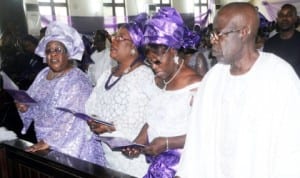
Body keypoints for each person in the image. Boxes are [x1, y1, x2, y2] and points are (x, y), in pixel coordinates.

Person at [176, 2, 300, 178]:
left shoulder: (279, 76)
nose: (213, 41)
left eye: (219, 34)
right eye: (212, 34)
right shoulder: (213, 78)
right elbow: (197, 137)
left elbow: (292, 148)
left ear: (244, 32)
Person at [122, 7, 202, 178]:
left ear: (173, 51)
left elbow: (205, 133)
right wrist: (138, 142)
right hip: (158, 164)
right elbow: (152, 120)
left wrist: (167, 143)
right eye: (150, 63)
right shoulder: (156, 82)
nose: (154, 67)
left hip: (182, 166)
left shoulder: (195, 85)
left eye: (157, 61)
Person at [15, 21, 106, 166]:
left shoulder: (77, 80)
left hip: (73, 147)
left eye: (58, 50)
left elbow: (73, 119)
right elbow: (34, 102)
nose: (53, 54)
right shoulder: (43, 74)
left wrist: (47, 142)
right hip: (45, 141)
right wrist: (24, 106)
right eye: (49, 50)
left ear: (68, 53)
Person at [84, 13, 158, 177]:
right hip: (109, 158)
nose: (113, 40)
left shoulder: (144, 77)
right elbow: (91, 105)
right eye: (115, 36)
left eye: (120, 38)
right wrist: (93, 121)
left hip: (132, 161)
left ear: (134, 46)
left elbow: (150, 119)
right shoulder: (106, 75)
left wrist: (111, 127)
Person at [263, 4, 300, 77]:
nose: (284, 17)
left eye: (289, 15)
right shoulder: (269, 44)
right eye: (281, 15)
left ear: (296, 18)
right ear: (277, 19)